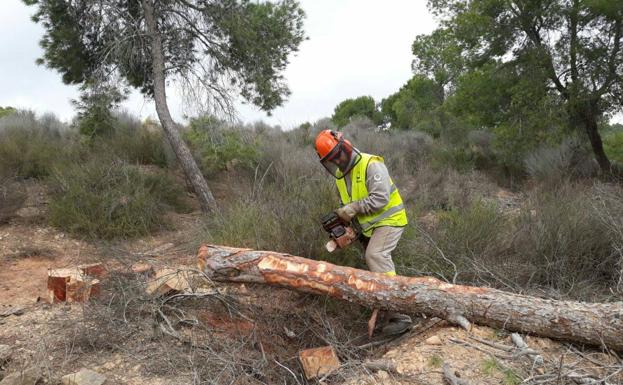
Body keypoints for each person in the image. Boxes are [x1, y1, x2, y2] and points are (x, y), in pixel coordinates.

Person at [314, 129, 412, 335]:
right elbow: (350, 208)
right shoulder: (341, 178)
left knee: (376, 255)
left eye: (339, 153)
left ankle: (400, 315)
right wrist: (348, 230)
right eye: (333, 158)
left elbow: (380, 198)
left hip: (390, 220)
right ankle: (387, 310)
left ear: (345, 144)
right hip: (369, 227)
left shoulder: (371, 164)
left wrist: (352, 209)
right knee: (374, 265)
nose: (339, 159)